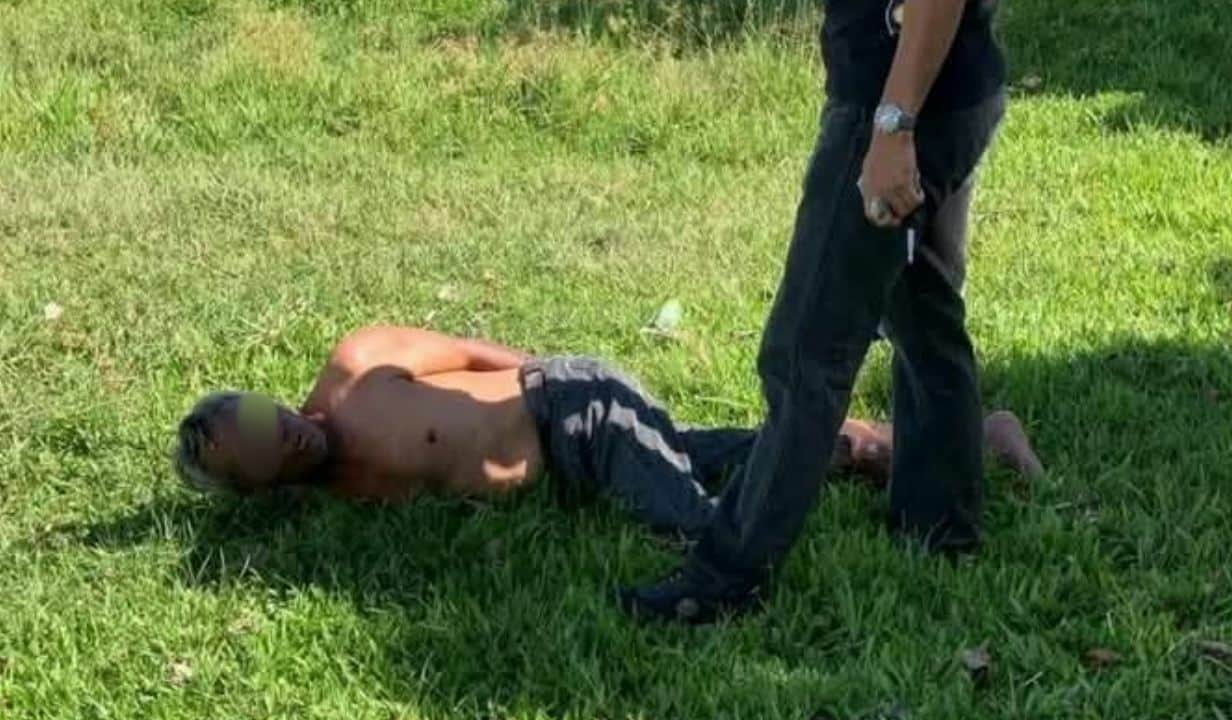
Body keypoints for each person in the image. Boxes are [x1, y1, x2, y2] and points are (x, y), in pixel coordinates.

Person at [619, 0, 1011, 623]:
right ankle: (940, 525)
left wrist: (892, 126)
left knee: (806, 353)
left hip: (898, 112)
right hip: (948, 92)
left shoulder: (891, 121)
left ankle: (724, 579)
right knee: (920, 309)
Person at [173, 326, 1041, 540]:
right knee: (737, 454)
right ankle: (970, 439)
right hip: (570, 467)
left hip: (569, 408)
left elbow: (472, 351)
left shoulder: (357, 367)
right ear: (259, 486)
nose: (284, 436)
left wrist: (572, 378)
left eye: (267, 419)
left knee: (699, 529)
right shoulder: (339, 501)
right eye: (262, 453)